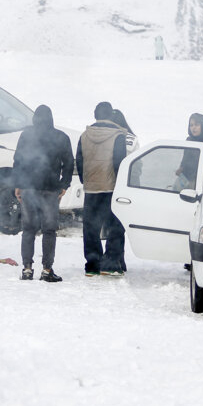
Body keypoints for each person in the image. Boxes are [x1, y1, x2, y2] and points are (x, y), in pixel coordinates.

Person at [12, 105, 74, 282]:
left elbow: (18, 161)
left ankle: (27, 269)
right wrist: (64, 185)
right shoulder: (61, 137)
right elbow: (68, 163)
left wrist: (19, 184)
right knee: (49, 230)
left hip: (29, 188)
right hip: (50, 189)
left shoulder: (26, 135)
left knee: (28, 229)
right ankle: (47, 270)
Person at [75, 101, 130, 276]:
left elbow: (80, 160)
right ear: (111, 115)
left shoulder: (84, 135)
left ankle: (92, 264)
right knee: (115, 227)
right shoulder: (118, 136)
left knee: (90, 227)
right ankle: (111, 264)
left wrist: (86, 181)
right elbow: (119, 162)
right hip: (111, 188)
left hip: (92, 188)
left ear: (95, 115)